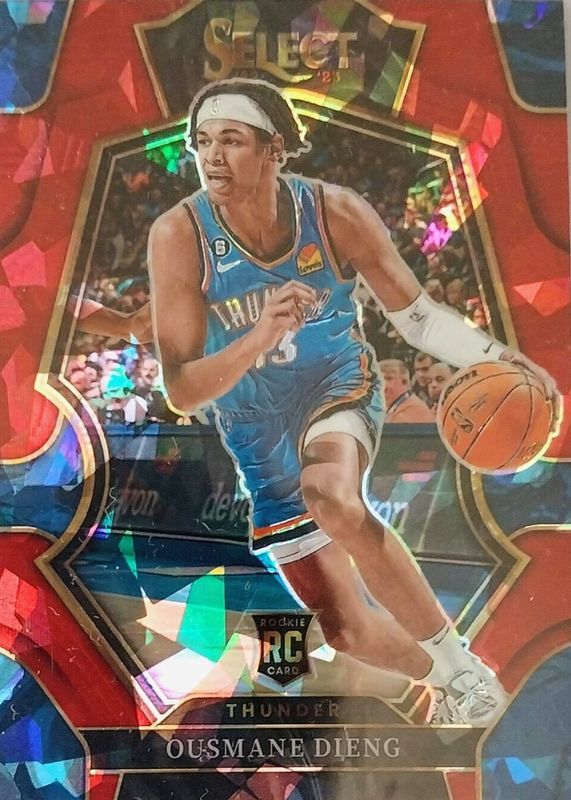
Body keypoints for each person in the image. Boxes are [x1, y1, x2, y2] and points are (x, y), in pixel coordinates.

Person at [110, 79, 557, 724]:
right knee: (347, 630)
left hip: (335, 383)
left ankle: (460, 666)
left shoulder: (334, 211)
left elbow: (418, 318)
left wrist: (502, 359)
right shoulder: (177, 234)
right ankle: (451, 680)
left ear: (274, 148)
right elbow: (181, 388)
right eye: (202, 142)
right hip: (254, 429)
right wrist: (259, 335)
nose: (212, 157)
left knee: (330, 494)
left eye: (231, 140)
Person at [379, 359, 433, 423]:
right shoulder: (396, 407)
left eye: (388, 378)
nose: (383, 384)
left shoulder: (413, 408)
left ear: (404, 381)